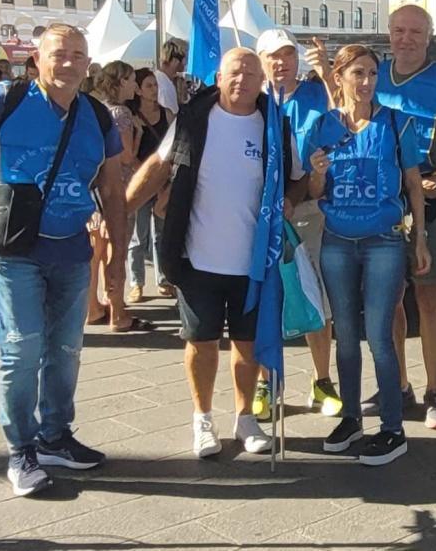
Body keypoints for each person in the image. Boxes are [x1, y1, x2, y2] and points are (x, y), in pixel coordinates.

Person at [0, 24, 127, 496]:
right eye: (59, 54)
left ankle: (56, 436)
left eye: (78, 55)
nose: (70, 63)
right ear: (37, 58)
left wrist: (116, 255)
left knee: (65, 353)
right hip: (14, 252)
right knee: (21, 353)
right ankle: (21, 450)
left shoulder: (96, 115)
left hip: (72, 252)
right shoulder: (7, 98)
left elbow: (112, 189)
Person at [311, 5, 436, 430]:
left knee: (430, 298)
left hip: (425, 200)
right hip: (375, 207)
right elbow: (342, 115)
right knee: (388, 303)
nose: (406, 38)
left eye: (415, 31)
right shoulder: (373, 73)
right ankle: (398, 385)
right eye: (399, 30)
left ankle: (434, 389)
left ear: (429, 36)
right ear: (388, 34)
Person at [126, 48, 287, 458]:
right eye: (235, 72)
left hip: (253, 261)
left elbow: (296, 180)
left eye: (252, 73)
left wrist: (293, 201)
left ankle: (245, 417)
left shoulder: (274, 123)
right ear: (219, 76)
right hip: (198, 255)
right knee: (202, 342)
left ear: (261, 81)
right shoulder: (194, 118)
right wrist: (120, 211)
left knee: (248, 345)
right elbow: (158, 166)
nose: (243, 80)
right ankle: (202, 418)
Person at [307, 45, 430, 466]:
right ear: (338, 77)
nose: (366, 82)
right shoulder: (323, 126)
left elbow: (414, 183)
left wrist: (422, 238)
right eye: (357, 73)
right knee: (344, 335)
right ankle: (351, 416)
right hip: (338, 239)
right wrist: (319, 173)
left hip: (383, 240)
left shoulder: (397, 122)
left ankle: (393, 429)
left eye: (372, 74)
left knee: (379, 335)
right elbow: (313, 191)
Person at [253, 28, 341, 420]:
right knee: (263, 299)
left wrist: (326, 74)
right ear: (260, 60)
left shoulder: (313, 93)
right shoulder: (251, 102)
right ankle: (265, 382)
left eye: (288, 54)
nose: (281, 62)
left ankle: (322, 381)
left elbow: (345, 115)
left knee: (315, 295)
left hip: (310, 208)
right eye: (273, 56)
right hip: (261, 213)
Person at [87, 62, 152, 333]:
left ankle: (92, 307)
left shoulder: (96, 109)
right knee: (117, 250)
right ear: (118, 82)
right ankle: (118, 312)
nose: (134, 86)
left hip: (94, 186)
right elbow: (125, 155)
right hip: (120, 187)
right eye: (129, 80)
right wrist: (138, 138)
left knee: (96, 251)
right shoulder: (123, 114)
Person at [124, 68, 174, 302]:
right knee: (138, 234)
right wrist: (143, 178)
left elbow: (175, 150)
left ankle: (163, 278)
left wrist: (166, 180)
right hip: (140, 180)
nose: (154, 90)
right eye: (148, 86)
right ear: (138, 90)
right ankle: (136, 282)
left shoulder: (167, 115)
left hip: (163, 181)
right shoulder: (131, 117)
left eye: (155, 85)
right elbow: (129, 155)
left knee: (162, 233)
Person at [155, 38, 188, 115]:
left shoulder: (158, 78)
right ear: (176, 60)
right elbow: (172, 120)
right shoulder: (165, 88)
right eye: (185, 59)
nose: (186, 63)